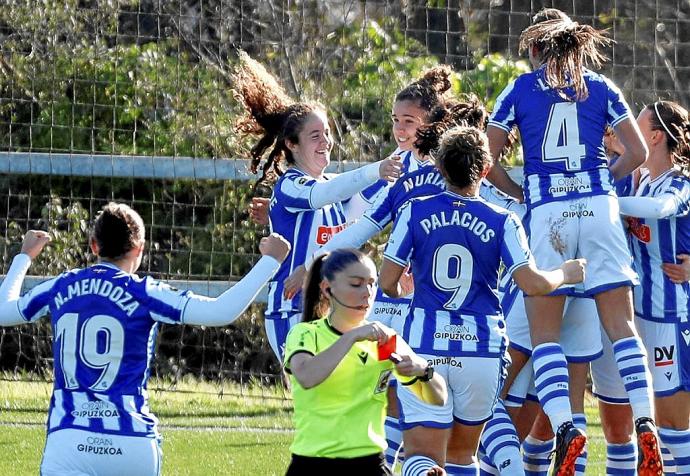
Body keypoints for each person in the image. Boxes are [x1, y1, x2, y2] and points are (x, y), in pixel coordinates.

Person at [486, 8, 662, 474]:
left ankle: (566, 425)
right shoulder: (602, 87)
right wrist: (604, 178)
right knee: (621, 328)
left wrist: (519, 191)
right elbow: (638, 152)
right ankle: (646, 422)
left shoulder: (520, 88)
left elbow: (485, 157)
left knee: (544, 335)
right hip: (599, 208)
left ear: (535, 47)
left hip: (549, 214)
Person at [0, 203, 291, 476]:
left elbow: (3, 312)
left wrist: (24, 256)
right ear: (139, 249)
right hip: (132, 441)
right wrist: (270, 262)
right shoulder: (144, 291)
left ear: (93, 246)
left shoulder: (62, 285)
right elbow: (221, 311)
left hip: (69, 439)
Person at [379, 126, 585, 475]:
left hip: (426, 345)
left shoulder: (414, 211)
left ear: (440, 169)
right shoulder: (503, 219)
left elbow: (387, 283)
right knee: (462, 456)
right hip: (481, 350)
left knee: (421, 455)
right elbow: (531, 284)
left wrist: (401, 292)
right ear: (486, 170)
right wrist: (565, 273)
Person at [231, 52, 402, 362]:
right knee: (309, 396)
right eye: (315, 136)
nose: (325, 141)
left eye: (326, 133)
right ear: (292, 145)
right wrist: (376, 169)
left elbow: (374, 198)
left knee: (337, 398)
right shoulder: (291, 185)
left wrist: (406, 148)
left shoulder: (336, 187)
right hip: (292, 309)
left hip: (333, 309)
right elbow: (322, 195)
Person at [283, 248, 447, 476]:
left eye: (372, 284)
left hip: (369, 465)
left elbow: (438, 398)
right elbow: (307, 376)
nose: (368, 293)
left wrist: (423, 370)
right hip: (313, 464)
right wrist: (352, 336)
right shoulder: (306, 334)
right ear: (327, 289)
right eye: (356, 284)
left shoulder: (382, 340)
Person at [617, 100, 690, 475]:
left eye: (637, 125)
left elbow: (662, 210)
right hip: (636, 313)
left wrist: (602, 204)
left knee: (674, 424)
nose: (627, 129)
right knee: (646, 425)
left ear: (656, 137)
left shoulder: (678, 183)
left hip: (669, 314)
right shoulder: (640, 179)